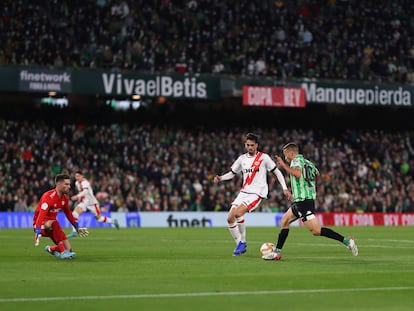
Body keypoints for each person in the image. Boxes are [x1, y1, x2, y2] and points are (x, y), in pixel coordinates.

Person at [263, 142, 358, 260]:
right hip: (301, 200)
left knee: (316, 231)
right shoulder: (309, 163)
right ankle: (277, 252)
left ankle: (347, 241)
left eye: (285, 154)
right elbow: (316, 173)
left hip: (304, 202)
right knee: (285, 221)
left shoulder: (295, 161)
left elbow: (297, 174)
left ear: (292, 153)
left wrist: (283, 165)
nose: (285, 158)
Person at [213, 133, 291, 256]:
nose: (250, 147)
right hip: (244, 192)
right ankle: (240, 244)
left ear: (257, 146)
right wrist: (221, 178)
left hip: (257, 193)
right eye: (248, 145)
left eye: (252, 145)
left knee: (238, 213)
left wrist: (285, 188)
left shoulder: (264, 158)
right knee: (229, 218)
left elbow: (277, 172)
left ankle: (243, 242)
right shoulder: (242, 159)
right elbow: (232, 173)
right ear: (245, 145)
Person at [33, 173, 79, 259]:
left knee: (70, 251)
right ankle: (62, 252)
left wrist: (75, 225)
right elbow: (41, 215)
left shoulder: (64, 198)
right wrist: (37, 229)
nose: (69, 186)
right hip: (41, 225)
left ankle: (51, 249)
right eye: (66, 184)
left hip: (54, 227)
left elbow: (68, 213)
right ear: (58, 184)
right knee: (54, 223)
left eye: (69, 184)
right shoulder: (48, 197)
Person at [67, 171, 119, 238]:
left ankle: (113, 221)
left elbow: (85, 191)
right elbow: (81, 192)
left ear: (82, 176)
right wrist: (80, 198)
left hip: (92, 203)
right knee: (74, 213)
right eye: (76, 176)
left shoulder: (85, 182)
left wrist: (77, 196)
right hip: (85, 202)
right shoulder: (77, 183)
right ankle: (74, 231)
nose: (77, 178)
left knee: (99, 219)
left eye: (78, 176)